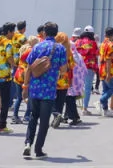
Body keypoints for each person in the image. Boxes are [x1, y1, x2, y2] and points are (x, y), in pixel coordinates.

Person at [23, 21, 68, 160]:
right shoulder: (60, 48)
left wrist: (25, 86)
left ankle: (28, 143)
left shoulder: (37, 46)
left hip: (35, 88)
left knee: (33, 117)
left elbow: (29, 67)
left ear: (44, 32)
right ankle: (38, 149)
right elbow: (64, 69)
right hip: (49, 90)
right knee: (44, 121)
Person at [97, 26, 113, 117]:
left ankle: (105, 110)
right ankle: (101, 101)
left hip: (102, 69)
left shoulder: (102, 44)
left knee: (105, 90)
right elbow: (108, 60)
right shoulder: (111, 45)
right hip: (109, 70)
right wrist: (108, 73)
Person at [76, 26, 99, 116]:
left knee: (79, 87)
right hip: (89, 66)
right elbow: (96, 54)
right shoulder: (92, 43)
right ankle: (85, 108)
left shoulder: (78, 42)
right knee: (87, 88)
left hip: (78, 67)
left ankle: (78, 106)